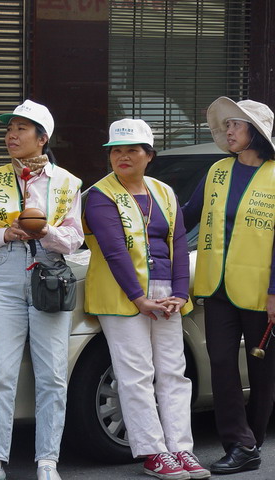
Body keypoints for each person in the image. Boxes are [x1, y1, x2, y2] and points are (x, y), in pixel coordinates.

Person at [83, 119, 210, 480]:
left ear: (149, 155)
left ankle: (181, 448)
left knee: (173, 372)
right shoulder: (100, 195)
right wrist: (139, 298)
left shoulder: (163, 191)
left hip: (166, 294)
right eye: (116, 151)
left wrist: (180, 292)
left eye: (132, 150)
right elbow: (114, 252)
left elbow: (179, 244)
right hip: (122, 298)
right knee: (136, 374)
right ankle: (154, 452)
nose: (123, 156)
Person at [0, 100, 82, 480]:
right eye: (9, 129)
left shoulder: (67, 182)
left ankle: (47, 461)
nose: (12, 135)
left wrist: (46, 231)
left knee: (52, 373)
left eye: (21, 128)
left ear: (42, 138)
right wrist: (3, 234)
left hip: (50, 272)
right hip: (4, 272)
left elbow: (75, 238)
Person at [182, 97, 275, 475]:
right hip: (216, 288)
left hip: (261, 291)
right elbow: (187, 215)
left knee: (263, 371)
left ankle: (252, 440)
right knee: (221, 363)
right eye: (228, 125)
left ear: (256, 132)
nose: (228, 130)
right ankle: (239, 443)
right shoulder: (218, 171)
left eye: (236, 124)